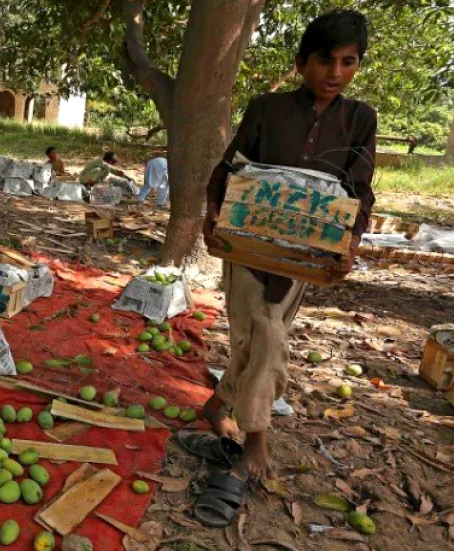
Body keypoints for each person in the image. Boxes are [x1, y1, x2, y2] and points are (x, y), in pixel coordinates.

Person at [196, 8, 376, 515]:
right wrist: (213, 220)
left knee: (263, 335)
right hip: (248, 247)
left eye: (348, 62)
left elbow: (359, 191)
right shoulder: (266, 110)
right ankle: (256, 437)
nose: (335, 73)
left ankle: (221, 407)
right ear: (301, 63)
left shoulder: (360, 119)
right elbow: (226, 172)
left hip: (303, 256)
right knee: (265, 334)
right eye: (325, 61)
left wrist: (349, 246)